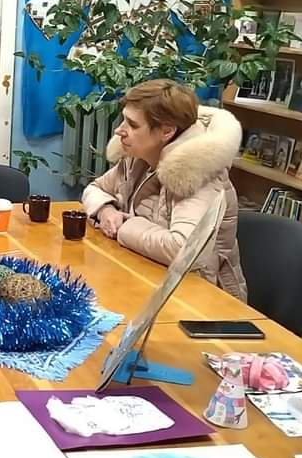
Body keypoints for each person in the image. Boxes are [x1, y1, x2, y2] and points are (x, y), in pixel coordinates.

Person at [81, 79, 248, 301]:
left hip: (201, 300)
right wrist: (106, 210)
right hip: (146, 278)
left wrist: (125, 227)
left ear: (167, 131)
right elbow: (95, 188)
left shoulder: (196, 171)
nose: (119, 131)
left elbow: (185, 250)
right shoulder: (138, 156)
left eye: (132, 125)